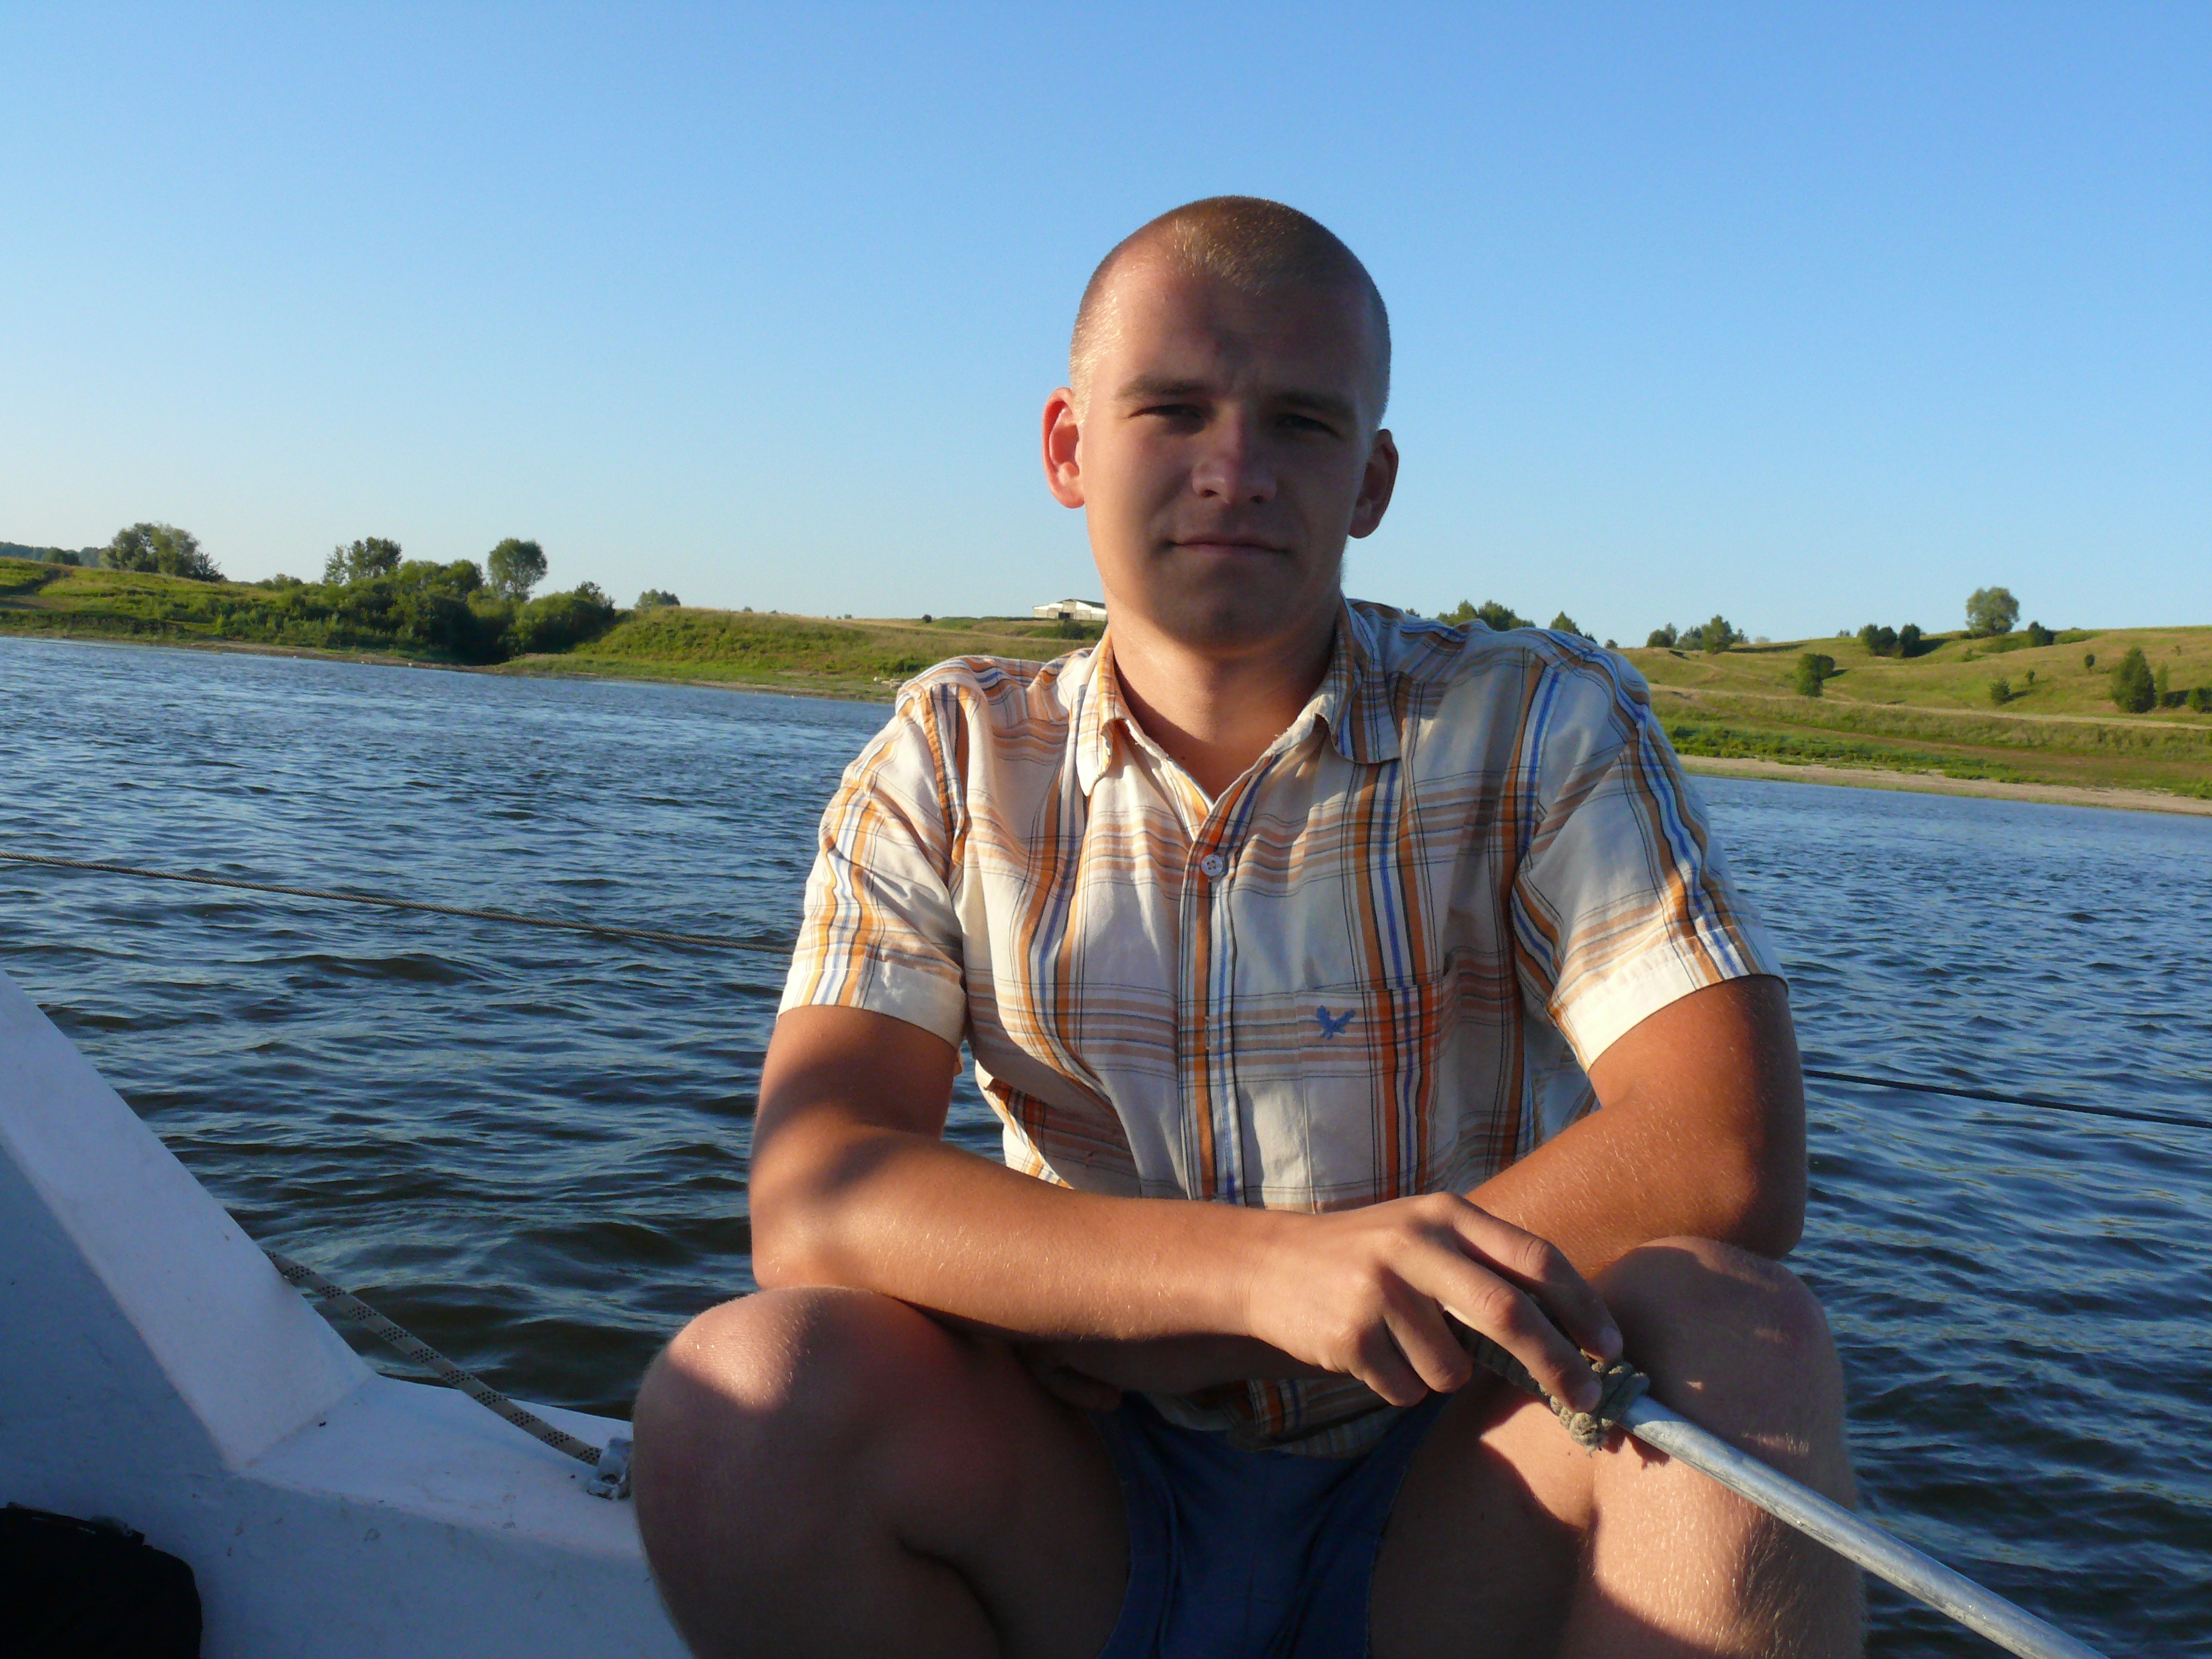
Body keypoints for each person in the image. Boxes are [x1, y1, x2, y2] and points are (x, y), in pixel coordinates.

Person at [632, 196, 1862, 1659]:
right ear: (1068, 448)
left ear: (1371, 480)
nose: (1235, 470)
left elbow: (1722, 1149)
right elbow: (817, 1192)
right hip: (1088, 1492)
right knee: (744, 1397)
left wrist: (1241, 1315)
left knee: (1736, 1334)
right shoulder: (948, 760)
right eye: (1172, 410)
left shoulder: (1541, 724)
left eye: (1300, 422)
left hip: (1463, 1481)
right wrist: (1255, 1283)